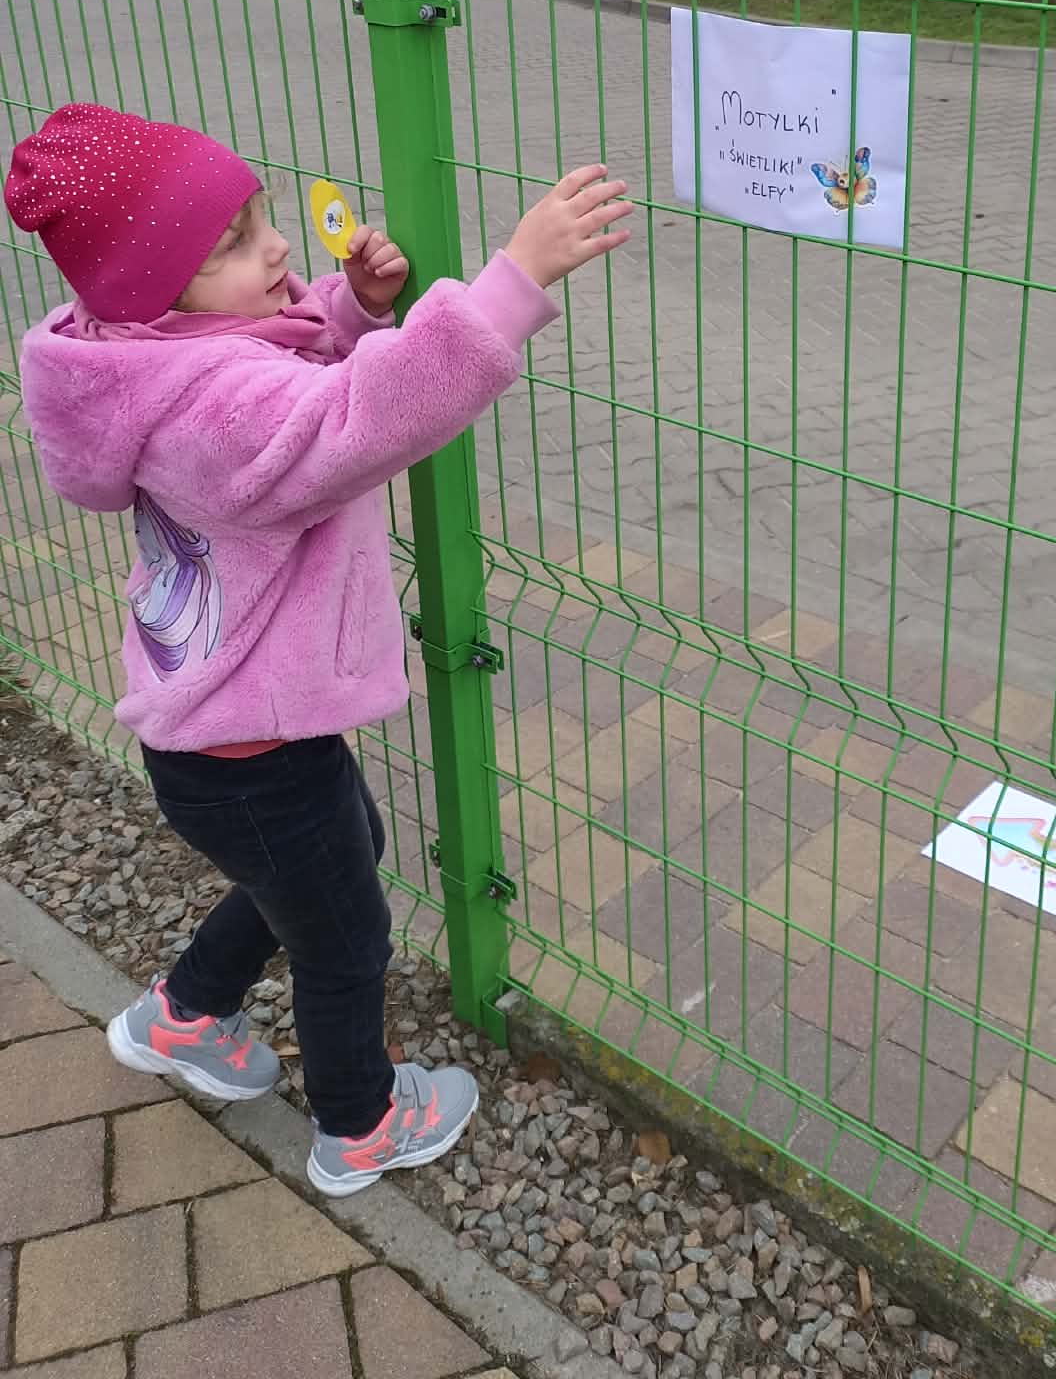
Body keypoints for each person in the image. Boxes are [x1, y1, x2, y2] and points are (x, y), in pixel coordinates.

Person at [4, 103, 631, 1196]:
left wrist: (348, 307)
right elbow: (349, 418)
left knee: (328, 863)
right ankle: (360, 1123)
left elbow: (273, 384)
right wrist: (511, 282)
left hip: (222, 740)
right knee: (346, 939)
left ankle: (187, 1012)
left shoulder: (145, 359)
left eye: (260, 220)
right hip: (257, 752)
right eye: (236, 244)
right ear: (161, 290)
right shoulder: (209, 416)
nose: (277, 247)